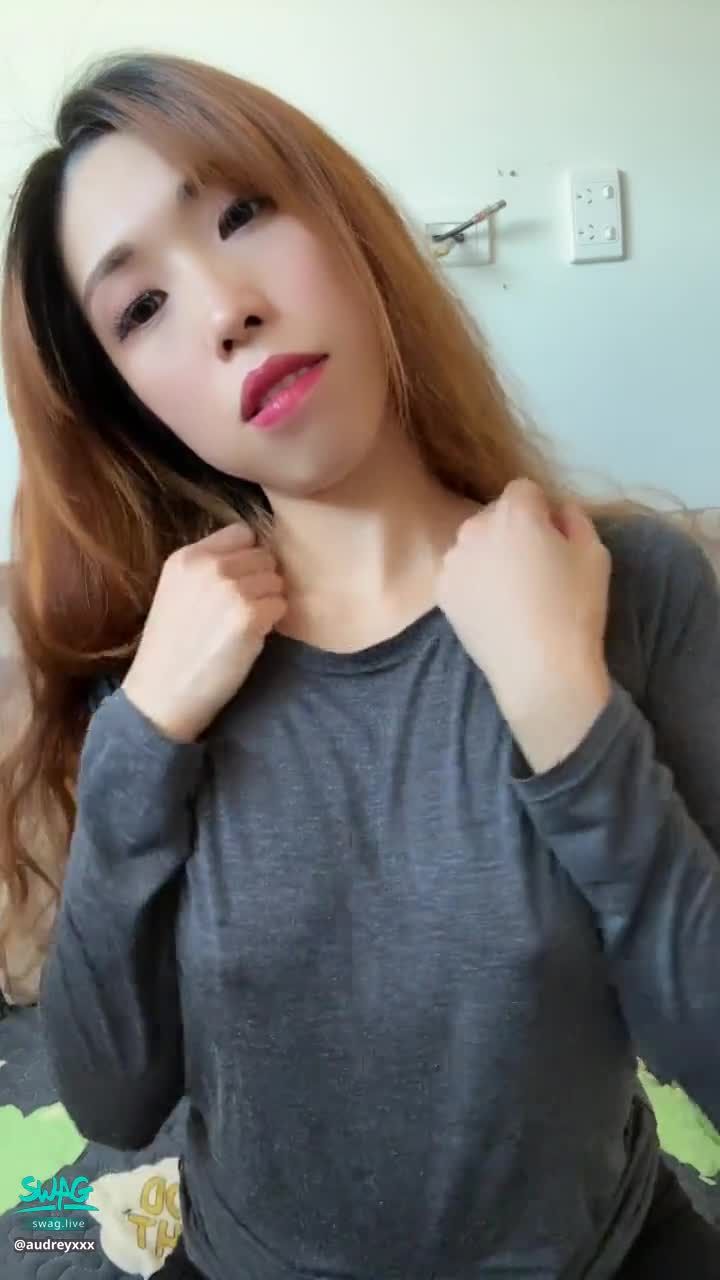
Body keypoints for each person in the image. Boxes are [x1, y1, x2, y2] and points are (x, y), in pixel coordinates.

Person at [1, 51, 719, 1280]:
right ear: (129, 402)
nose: (224, 306)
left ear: (348, 223)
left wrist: (565, 708)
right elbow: (114, 1096)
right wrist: (141, 739)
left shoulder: (630, 585)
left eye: (241, 212)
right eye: (142, 307)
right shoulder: (168, 661)